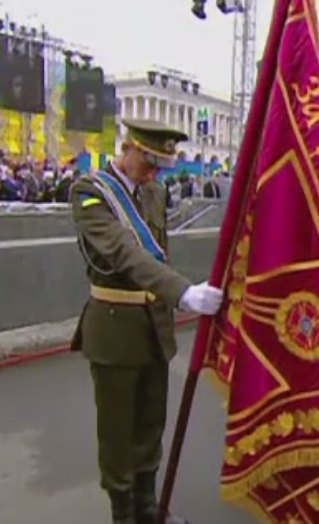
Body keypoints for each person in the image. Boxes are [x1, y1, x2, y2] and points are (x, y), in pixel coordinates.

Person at [69, 118, 224, 524]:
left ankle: (148, 505)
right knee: (118, 433)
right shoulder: (90, 192)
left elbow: (159, 251)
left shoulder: (154, 191)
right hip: (115, 328)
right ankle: (123, 515)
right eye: (150, 162)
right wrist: (182, 292)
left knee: (151, 424)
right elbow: (125, 253)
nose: (155, 172)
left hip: (154, 326)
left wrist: (171, 296)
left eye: (162, 165)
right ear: (129, 148)